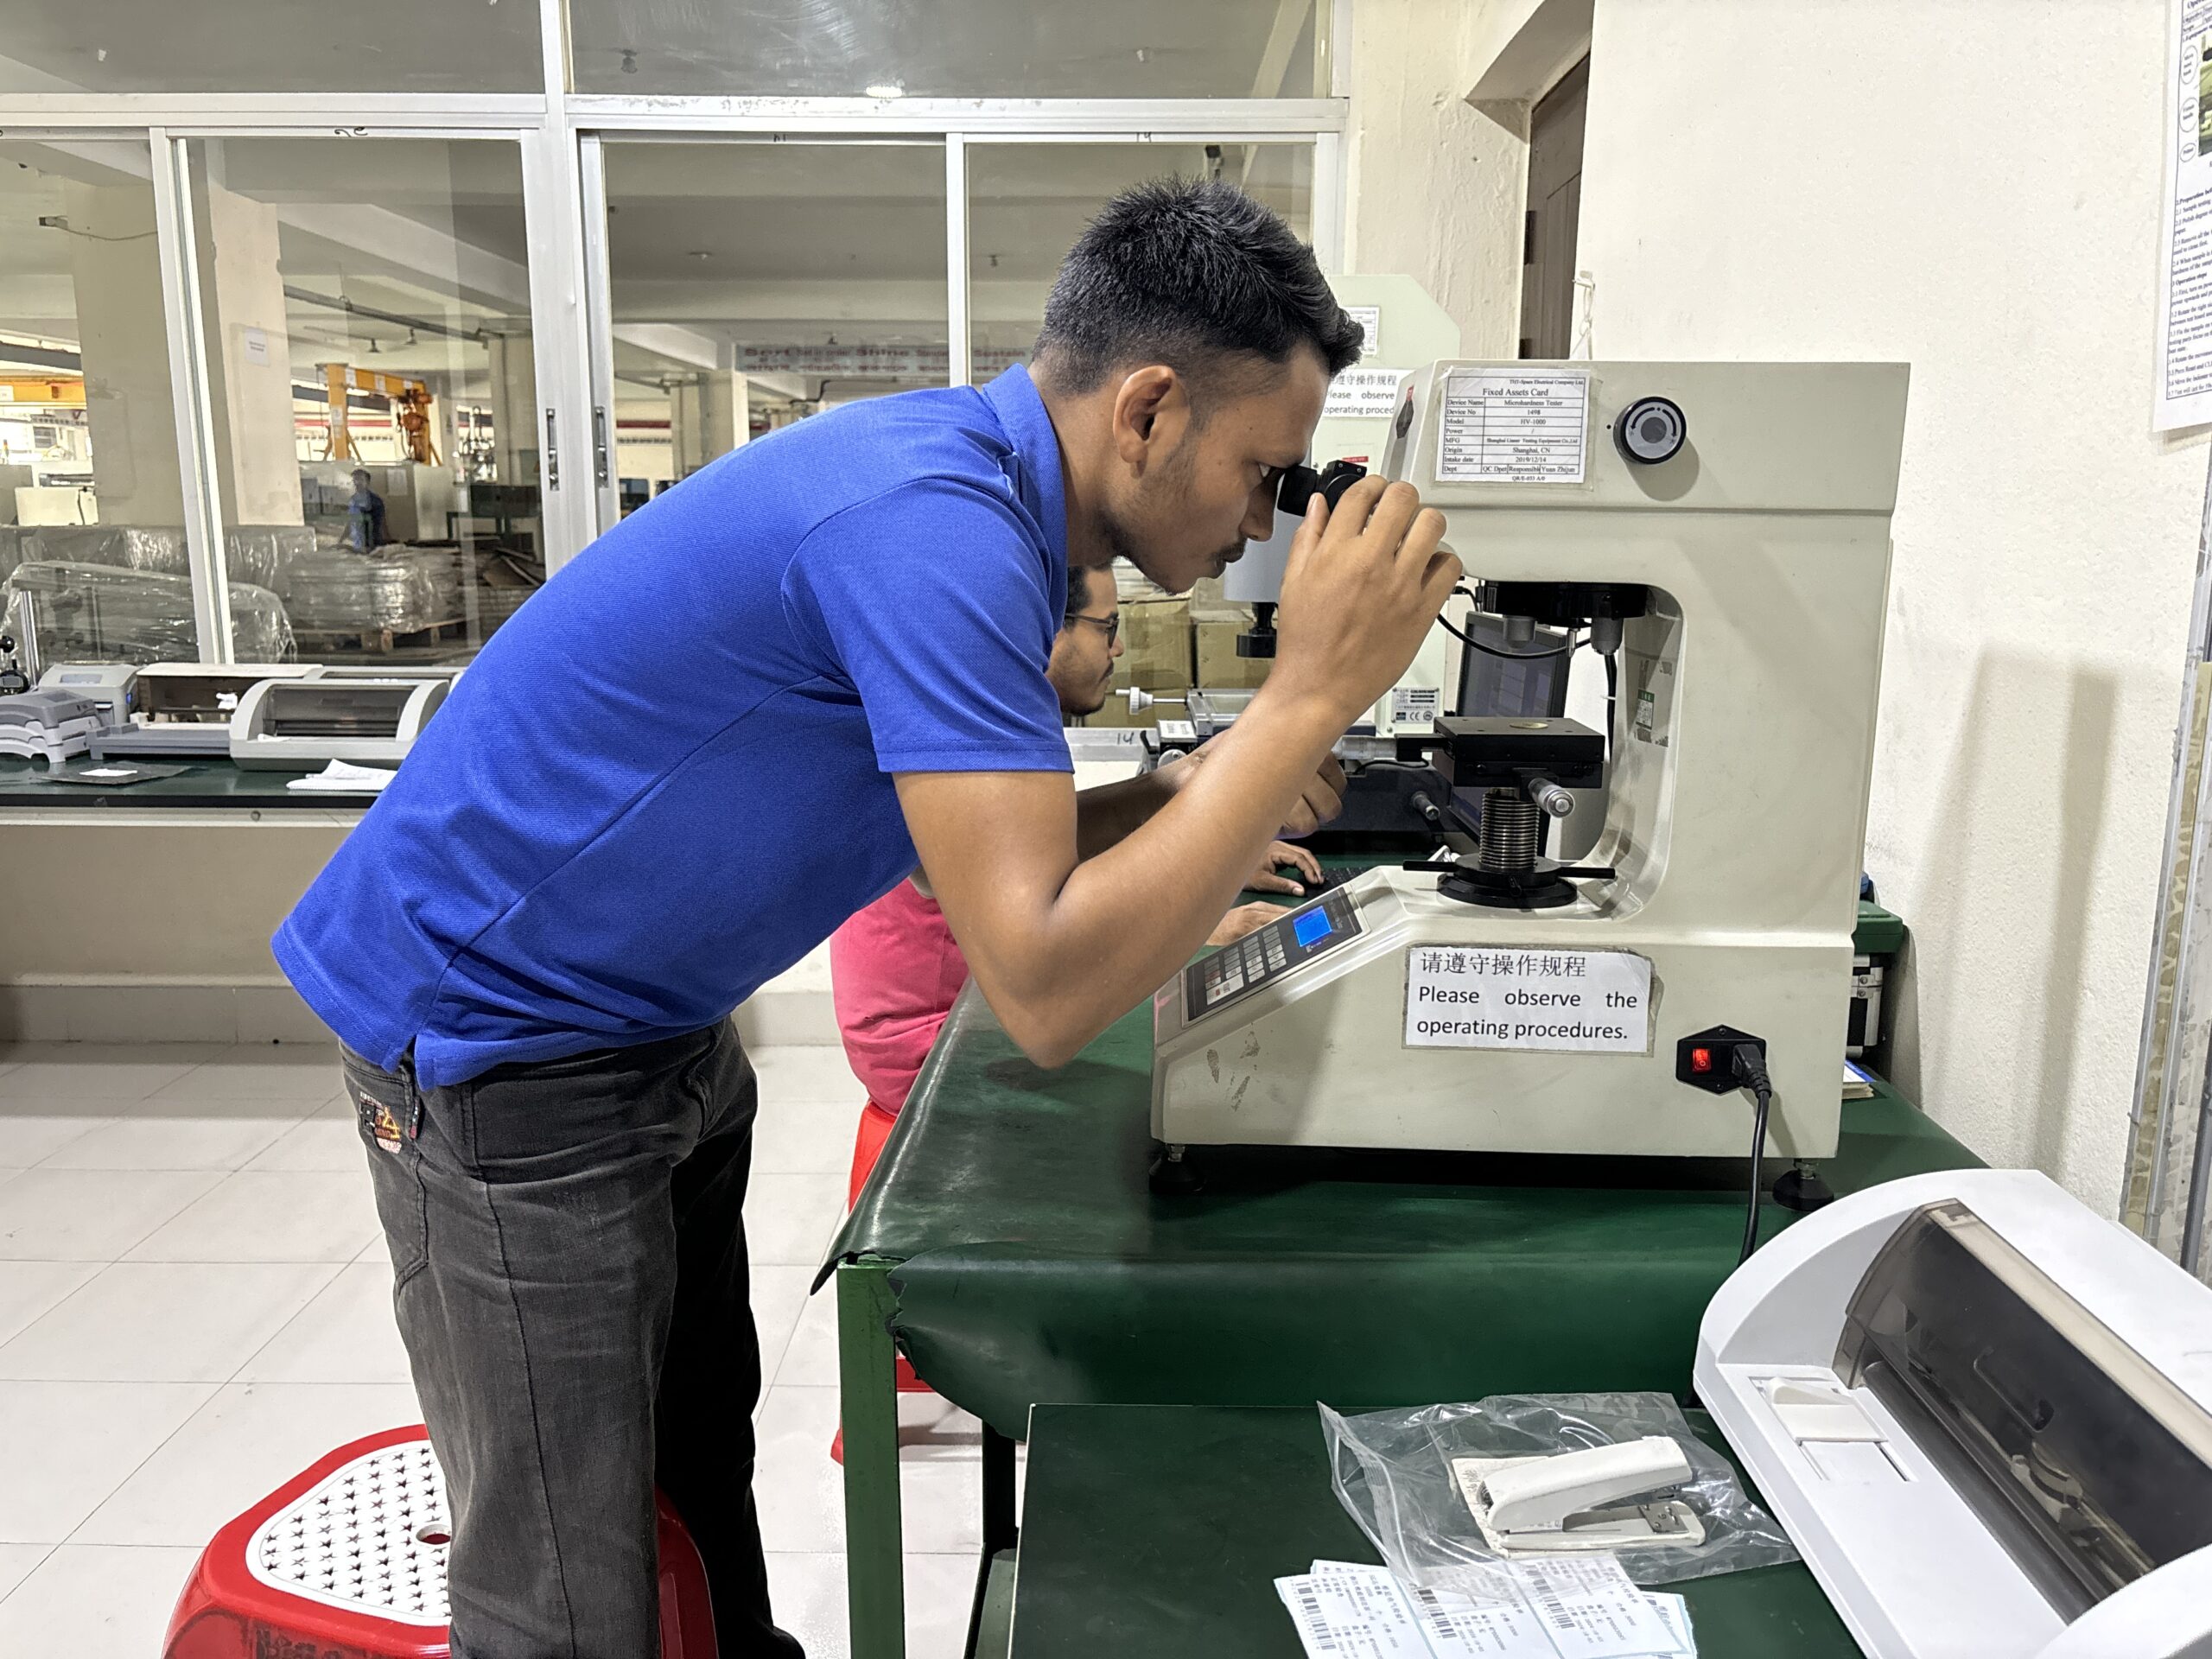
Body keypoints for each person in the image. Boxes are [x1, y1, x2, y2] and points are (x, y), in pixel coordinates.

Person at [272, 175, 1454, 1657]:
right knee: (566, 1583)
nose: (1264, 521)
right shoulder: (936, 528)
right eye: (1264, 474)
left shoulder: (987, 503)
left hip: (656, 1030)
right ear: (1150, 410)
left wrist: (1186, 795)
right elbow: (1041, 983)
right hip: (498, 1050)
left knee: (690, 1477)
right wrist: (1304, 701)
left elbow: (978, 859)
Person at [831, 560, 1319, 1201]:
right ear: (1042, 630)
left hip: (962, 1022)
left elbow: (1041, 849)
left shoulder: (997, 718)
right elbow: (1040, 918)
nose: (1118, 648)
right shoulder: (965, 729)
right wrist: (1205, 904)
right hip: (930, 1053)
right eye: (1107, 627)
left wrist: (1209, 825)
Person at [344, 467, 389, 553]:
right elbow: (350, 522)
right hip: (357, 544)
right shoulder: (353, 500)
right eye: (355, 480)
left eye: (360, 479)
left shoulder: (374, 501)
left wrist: (385, 542)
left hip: (371, 545)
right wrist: (341, 540)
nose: (357, 483)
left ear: (367, 482)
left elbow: (381, 523)